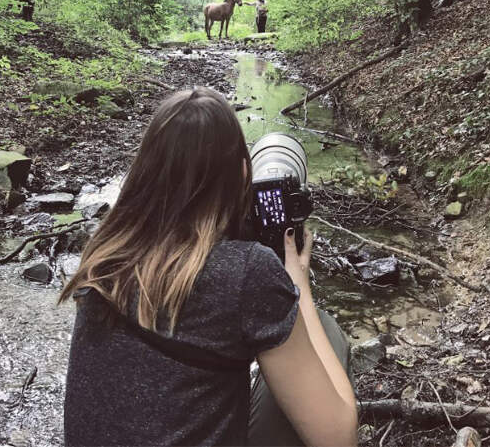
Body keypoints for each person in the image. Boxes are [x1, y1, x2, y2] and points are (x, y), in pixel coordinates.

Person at [60, 87, 357, 447]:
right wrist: (299, 286)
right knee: (322, 329)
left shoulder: (106, 251)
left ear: (144, 169)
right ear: (243, 174)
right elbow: (338, 437)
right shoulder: (247, 271)